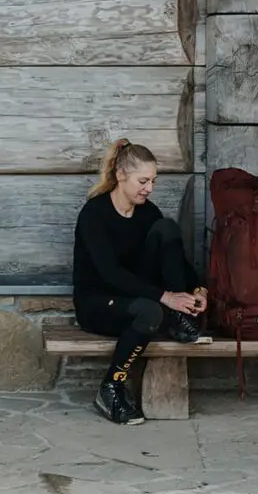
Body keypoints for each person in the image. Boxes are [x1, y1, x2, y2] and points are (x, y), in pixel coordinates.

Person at [72, 138, 207, 425]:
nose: (149, 188)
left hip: (138, 297)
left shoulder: (147, 212)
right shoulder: (94, 214)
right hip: (98, 302)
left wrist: (198, 289)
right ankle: (110, 389)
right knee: (151, 311)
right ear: (121, 176)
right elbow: (109, 274)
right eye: (143, 180)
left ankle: (179, 316)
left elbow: (177, 260)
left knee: (166, 228)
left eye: (153, 181)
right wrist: (165, 298)